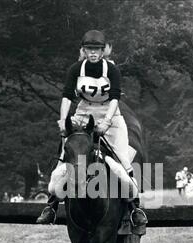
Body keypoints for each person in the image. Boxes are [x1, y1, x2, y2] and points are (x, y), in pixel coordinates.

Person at [36, 30, 147, 225]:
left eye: (97, 50)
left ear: (103, 51)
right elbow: (67, 96)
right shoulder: (75, 69)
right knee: (66, 159)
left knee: (122, 164)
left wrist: (106, 122)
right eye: (89, 49)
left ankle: (134, 208)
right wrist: (63, 121)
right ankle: (51, 206)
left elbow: (114, 99)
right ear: (84, 50)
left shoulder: (111, 70)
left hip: (110, 113)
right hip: (83, 111)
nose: (93, 53)